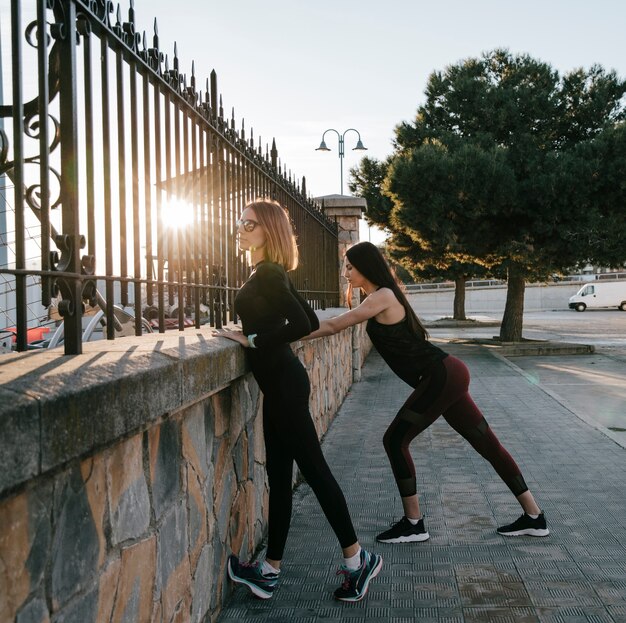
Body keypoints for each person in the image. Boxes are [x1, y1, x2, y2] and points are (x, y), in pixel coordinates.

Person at [303, 241, 549, 544]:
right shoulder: (377, 297)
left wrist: (280, 335)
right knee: (487, 445)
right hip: (447, 374)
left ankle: (414, 523)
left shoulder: (383, 296)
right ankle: (535, 517)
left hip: (441, 376)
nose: (345, 273)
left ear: (366, 266)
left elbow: (334, 325)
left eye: (350, 266)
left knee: (395, 440)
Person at [213, 200, 382, 602]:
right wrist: (253, 335)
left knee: (315, 473)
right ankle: (270, 571)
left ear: (267, 230)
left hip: (286, 386)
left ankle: (358, 561)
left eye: (249, 224)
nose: (241, 228)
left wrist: (251, 340)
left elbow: (304, 323)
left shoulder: (269, 272)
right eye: (240, 222)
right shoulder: (265, 271)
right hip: (280, 386)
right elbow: (298, 315)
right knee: (279, 477)